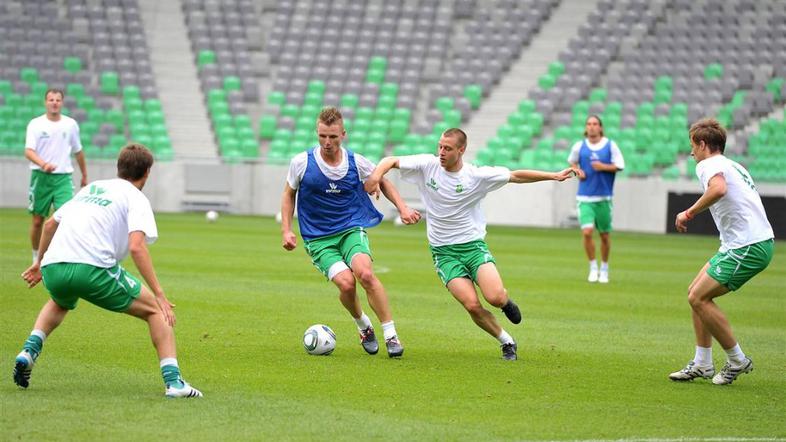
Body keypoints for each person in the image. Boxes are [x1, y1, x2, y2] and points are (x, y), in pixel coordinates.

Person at [364, 128, 574, 360]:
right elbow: (390, 160)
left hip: (472, 247)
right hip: (443, 253)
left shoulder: (476, 176)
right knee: (472, 305)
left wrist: (553, 176)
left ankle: (505, 303)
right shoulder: (428, 165)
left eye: (448, 148)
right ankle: (506, 341)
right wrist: (375, 177)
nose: (441, 152)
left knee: (494, 297)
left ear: (461, 150)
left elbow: (515, 176)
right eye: (440, 146)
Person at [16, 144, 202, 398]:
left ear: (119, 168)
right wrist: (159, 293)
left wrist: (39, 263)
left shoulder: (92, 188)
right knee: (157, 311)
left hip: (53, 266)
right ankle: (174, 383)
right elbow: (137, 247)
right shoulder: (136, 197)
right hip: (92, 268)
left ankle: (29, 351)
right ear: (147, 172)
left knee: (60, 301)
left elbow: (49, 225)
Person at [280, 107, 420, 358]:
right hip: (318, 238)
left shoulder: (356, 161)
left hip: (350, 228)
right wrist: (287, 231)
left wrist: (403, 208)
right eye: (322, 136)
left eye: (333, 137)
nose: (327, 142)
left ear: (343, 134)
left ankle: (391, 335)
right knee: (346, 284)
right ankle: (363, 325)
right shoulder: (301, 162)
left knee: (365, 273)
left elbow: (383, 180)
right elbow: (289, 194)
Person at [669, 118, 774, 385]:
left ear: (703, 144)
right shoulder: (733, 165)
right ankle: (702, 363)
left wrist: (688, 212)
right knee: (695, 293)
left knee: (699, 298)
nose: (691, 152)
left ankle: (737, 360)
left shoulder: (708, 165)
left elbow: (719, 189)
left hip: (747, 245)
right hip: (742, 243)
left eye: (693, 145)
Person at [25, 88, 88, 264]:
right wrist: (43, 164)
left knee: (66, 219)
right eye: (51, 99)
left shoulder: (70, 124)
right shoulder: (36, 124)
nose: (54, 103)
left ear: (62, 103)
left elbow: (78, 151)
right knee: (38, 221)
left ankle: (59, 255)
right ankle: (36, 257)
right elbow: (28, 151)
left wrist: (84, 174)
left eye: (58, 100)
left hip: (63, 178)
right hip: (41, 177)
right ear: (45, 102)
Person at [567, 115, 624, 283]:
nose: (591, 127)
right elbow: (572, 162)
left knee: (604, 236)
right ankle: (593, 266)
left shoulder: (610, 145)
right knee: (587, 232)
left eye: (595, 124)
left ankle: (604, 268)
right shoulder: (579, 146)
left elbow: (620, 165)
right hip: (584, 197)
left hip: (604, 197)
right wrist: (577, 171)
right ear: (586, 127)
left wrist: (603, 166)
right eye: (589, 124)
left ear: (600, 127)